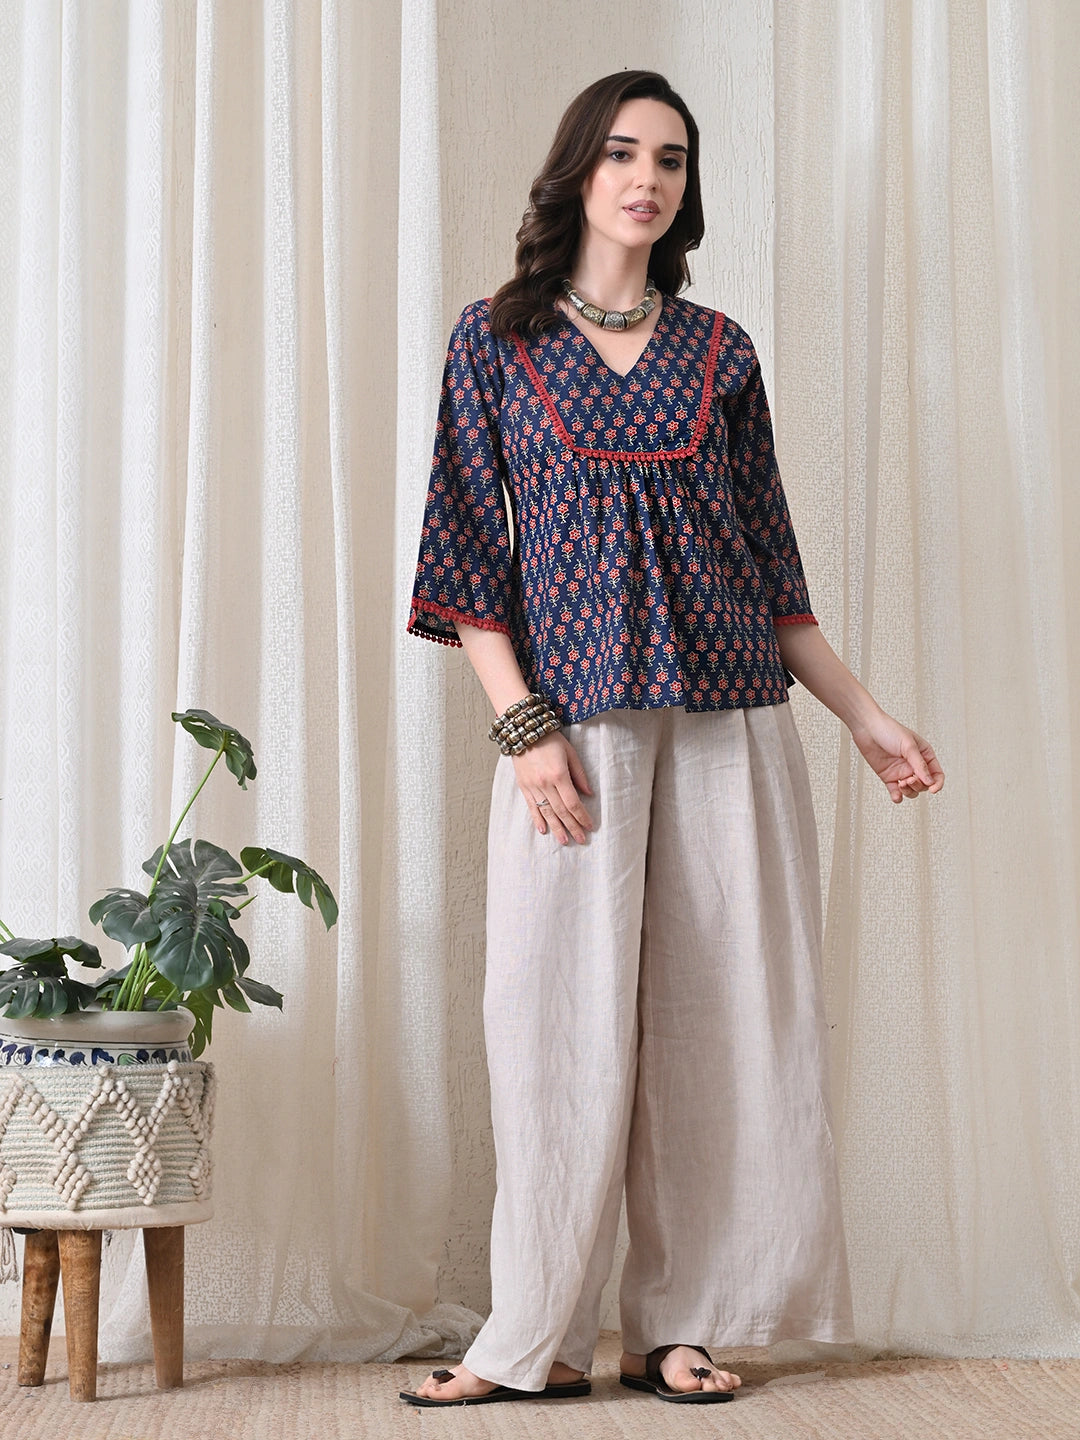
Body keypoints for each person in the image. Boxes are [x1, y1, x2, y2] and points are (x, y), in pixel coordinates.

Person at [399, 70, 944, 1409]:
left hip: (729, 719)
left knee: (719, 1026)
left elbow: (775, 573)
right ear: (577, 171)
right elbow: (465, 564)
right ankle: (531, 1338)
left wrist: (867, 719)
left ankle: (678, 1326)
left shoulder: (721, 353)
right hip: (573, 727)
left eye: (672, 160)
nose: (647, 179)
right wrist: (525, 729)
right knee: (554, 1028)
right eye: (623, 154)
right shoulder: (496, 340)